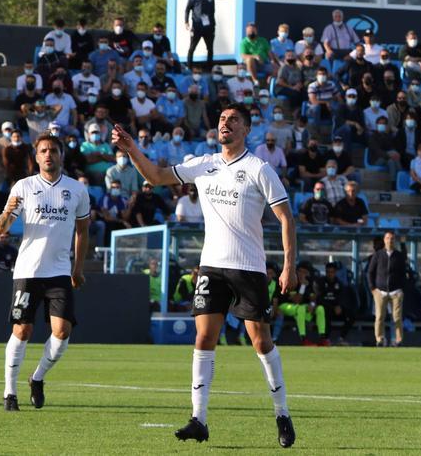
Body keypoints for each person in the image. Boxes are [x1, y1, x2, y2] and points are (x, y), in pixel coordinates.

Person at [110, 104, 297, 448]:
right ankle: (199, 419)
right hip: (212, 266)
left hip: (250, 268)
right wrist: (131, 149)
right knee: (203, 339)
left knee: (261, 342)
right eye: (223, 119)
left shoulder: (259, 169)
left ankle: (282, 412)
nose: (225, 123)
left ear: (246, 130)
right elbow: (156, 176)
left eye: (233, 120)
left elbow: (286, 218)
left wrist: (288, 266)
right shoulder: (204, 163)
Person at [0, 134, 89, 411]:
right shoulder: (23, 187)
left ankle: (37, 378)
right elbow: (1, 228)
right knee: (22, 330)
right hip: (28, 270)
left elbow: (83, 232)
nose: (49, 155)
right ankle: (10, 393)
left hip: (59, 272)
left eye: (54, 150)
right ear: (36, 157)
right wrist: (5, 215)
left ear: (61, 155)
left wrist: (78, 268)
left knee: (62, 332)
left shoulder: (77, 190)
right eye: (44, 151)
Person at [366, 230, 407, 347]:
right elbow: (370, 272)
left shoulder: (399, 256)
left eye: (392, 238)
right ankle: (380, 339)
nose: (390, 240)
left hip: (396, 292)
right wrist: (373, 289)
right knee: (379, 317)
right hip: (380, 291)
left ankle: (398, 340)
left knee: (397, 318)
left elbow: (404, 273)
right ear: (384, 240)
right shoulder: (378, 255)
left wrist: (402, 289)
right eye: (388, 238)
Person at [275, 263, 327, 346]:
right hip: (285, 306)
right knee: (301, 308)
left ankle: (322, 338)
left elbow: (313, 298)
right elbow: (296, 301)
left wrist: (312, 305)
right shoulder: (291, 281)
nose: (302, 274)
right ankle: (303, 339)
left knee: (320, 308)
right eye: (300, 272)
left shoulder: (310, 283)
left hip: (300, 308)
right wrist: (302, 286)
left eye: (305, 272)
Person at [185, 0, 215, 67]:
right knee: (192, 48)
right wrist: (186, 22)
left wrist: (213, 25)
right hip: (197, 27)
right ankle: (189, 67)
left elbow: (213, 11)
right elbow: (187, 9)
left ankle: (209, 68)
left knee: (210, 48)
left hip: (208, 27)